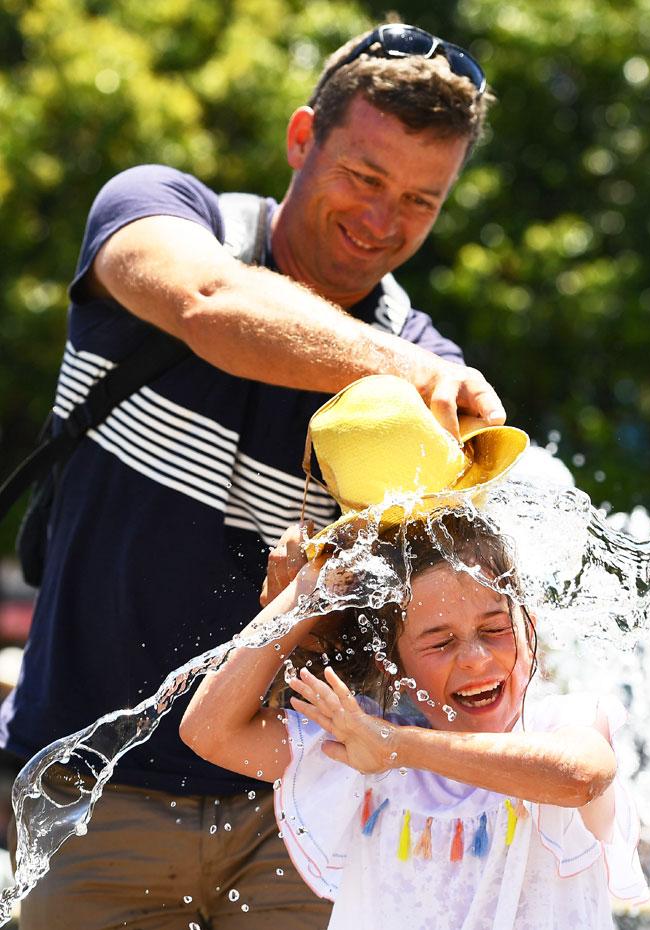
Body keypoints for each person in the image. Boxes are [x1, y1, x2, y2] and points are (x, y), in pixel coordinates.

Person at [3, 23, 506, 930]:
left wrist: (305, 623)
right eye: (364, 178)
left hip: (294, 819)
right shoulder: (161, 210)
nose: (383, 222)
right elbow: (210, 305)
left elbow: (418, 643)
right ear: (302, 137)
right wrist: (409, 374)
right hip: (88, 798)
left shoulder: (425, 365)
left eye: (422, 201)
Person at [180, 509, 649, 930]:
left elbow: (583, 776)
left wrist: (397, 747)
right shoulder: (357, 745)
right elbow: (208, 730)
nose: (474, 659)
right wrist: (307, 593)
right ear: (394, 667)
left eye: (495, 629)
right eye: (440, 642)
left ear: (529, 627)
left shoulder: (557, 722)